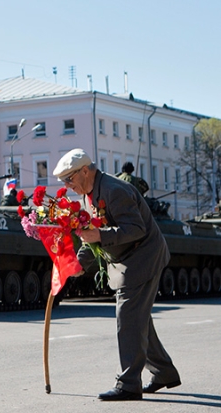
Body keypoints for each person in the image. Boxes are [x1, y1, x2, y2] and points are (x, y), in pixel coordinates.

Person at [53, 148, 180, 402]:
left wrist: (100, 235)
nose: (67, 186)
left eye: (69, 179)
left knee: (129, 317)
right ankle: (164, 372)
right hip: (128, 260)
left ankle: (129, 384)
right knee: (139, 320)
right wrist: (76, 266)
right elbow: (94, 239)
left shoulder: (114, 190)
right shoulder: (91, 194)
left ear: (85, 171)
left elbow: (135, 229)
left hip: (143, 257)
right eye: (63, 182)